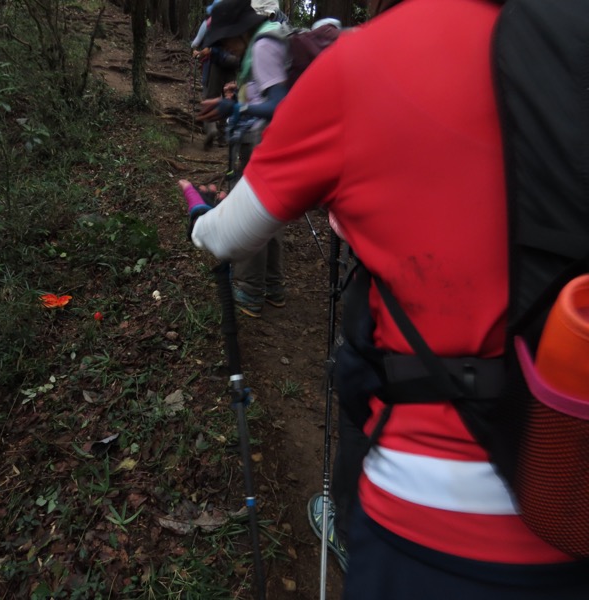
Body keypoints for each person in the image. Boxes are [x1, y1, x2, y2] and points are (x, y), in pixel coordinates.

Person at [181, 0, 589, 598]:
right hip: (573, 479)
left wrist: (198, 215)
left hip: (434, 516)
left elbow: (227, 234)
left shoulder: (367, 61)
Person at [197, 0, 290, 318]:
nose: (226, 48)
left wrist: (236, 108)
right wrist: (244, 90)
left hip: (262, 143)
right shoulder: (266, 39)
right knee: (268, 210)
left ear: (238, 31)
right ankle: (273, 285)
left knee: (251, 212)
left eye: (225, 41)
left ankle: (250, 291)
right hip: (271, 142)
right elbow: (271, 89)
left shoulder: (262, 45)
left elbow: (279, 105)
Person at [191, 0, 239, 150]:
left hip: (216, 64)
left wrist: (197, 51)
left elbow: (195, 43)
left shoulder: (210, 23)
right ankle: (223, 137)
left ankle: (211, 129)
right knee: (229, 97)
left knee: (211, 97)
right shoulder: (236, 23)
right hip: (233, 65)